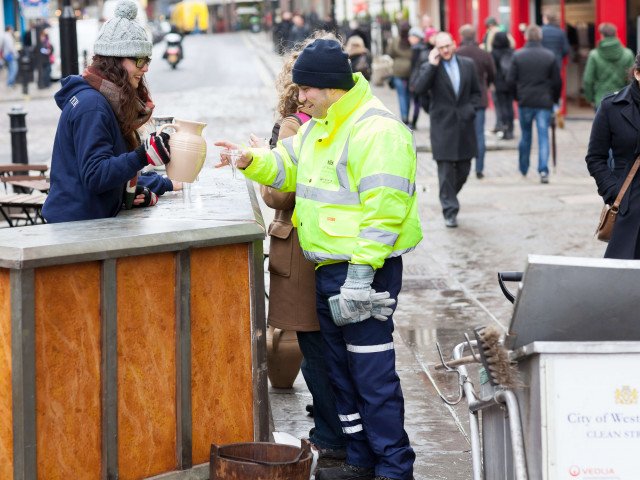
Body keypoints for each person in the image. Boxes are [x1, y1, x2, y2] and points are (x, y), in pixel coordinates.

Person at [216, 38, 422, 480]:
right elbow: (283, 166)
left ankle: (393, 467)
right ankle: (361, 460)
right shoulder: (319, 127)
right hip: (330, 272)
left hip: (363, 274)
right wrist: (249, 159)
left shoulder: (377, 130)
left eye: (305, 88)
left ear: (329, 86)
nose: (300, 97)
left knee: (371, 375)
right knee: (342, 375)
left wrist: (362, 276)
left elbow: (384, 213)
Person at [249, 35, 348, 463]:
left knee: (314, 345)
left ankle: (329, 431)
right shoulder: (332, 120)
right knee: (325, 345)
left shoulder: (294, 125)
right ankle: (335, 422)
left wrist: (261, 165)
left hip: (299, 246)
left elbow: (279, 196)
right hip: (320, 243)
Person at [42, 0, 179, 223]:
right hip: (75, 231)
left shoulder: (103, 99)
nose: (146, 68)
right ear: (115, 61)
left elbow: (109, 170)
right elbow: (96, 175)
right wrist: (143, 155)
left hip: (85, 222)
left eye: (147, 60)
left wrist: (134, 192)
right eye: (140, 60)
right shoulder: (92, 106)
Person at [414, 31, 481, 228]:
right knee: (445, 171)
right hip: (442, 126)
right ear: (436, 48)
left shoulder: (467, 65)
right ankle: (449, 210)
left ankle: (449, 196)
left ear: (454, 44)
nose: (445, 50)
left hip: (464, 125)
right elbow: (419, 89)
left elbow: (477, 93)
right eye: (440, 47)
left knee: (464, 169)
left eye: (447, 46)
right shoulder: (430, 67)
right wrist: (432, 66)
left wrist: (470, 109)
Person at [586, 53, 640, 260]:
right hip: (629, 203)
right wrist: (614, 193)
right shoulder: (611, 107)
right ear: (637, 74)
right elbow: (595, 157)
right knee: (623, 279)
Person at [507, 24, 561, 184]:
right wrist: (554, 99)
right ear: (540, 37)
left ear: (526, 37)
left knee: (525, 136)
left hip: (525, 100)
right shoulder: (549, 56)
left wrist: (517, 96)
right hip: (544, 101)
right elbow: (557, 82)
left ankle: (523, 168)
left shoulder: (518, 56)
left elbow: (510, 80)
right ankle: (543, 170)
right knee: (543, 136)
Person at [456, 24, 495, 179]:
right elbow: (492, 74)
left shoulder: (458, 54)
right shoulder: (483, 54)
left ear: (461, 36)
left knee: (462, 134)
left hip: (462, 100)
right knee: (479, 134)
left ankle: (461, 165)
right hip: (479, 98)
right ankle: (479, 168)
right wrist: (486, 85)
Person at [583, 23, 634, 110]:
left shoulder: (594, 55)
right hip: (622, 99)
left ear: (602, 35)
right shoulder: (628, 54)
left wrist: (591, 99)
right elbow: (632, 79)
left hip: (601, 99)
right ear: (616, 34)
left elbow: (588, 80)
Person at [387, 22, 413, 125]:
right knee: (408, 95)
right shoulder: (411, 40)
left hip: (397, 70)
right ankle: (408, 115)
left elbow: (390, 53)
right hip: (410, 70)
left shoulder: (395, 40)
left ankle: (404, 117)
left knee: (401, 95)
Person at [491, 31, 515, 139]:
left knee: (502, 107)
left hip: (499, 83)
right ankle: (511, 129)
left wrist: (491, 82)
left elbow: (492, 70)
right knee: (510, 106)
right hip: (510, 82)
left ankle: (505, 129)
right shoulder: (511, 52)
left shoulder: (493, 53)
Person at [407, 26, 428, 130]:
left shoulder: (416, 49)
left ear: (416, 38)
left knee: (417, 102)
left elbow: (414, 67)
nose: (409, 39)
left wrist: (412, 82)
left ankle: (414, 122)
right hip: (421, 78)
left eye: (410, 36)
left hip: (417, 79)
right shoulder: (424, 47)